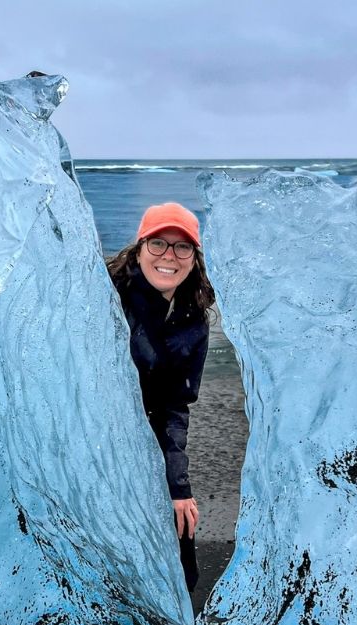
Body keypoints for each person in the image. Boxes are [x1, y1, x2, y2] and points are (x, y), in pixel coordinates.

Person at [106, 202, 215, 592]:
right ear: (139, 249)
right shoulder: (107, 299)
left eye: (182, 246)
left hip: (148, 439)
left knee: (181, 553)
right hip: (96, 441)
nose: (169, 255)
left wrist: (178, 486)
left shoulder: (193, 319)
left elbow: (174, 405)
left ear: (193, 258)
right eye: (158, 243)